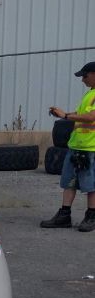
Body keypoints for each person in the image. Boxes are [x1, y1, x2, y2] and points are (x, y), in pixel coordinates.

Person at [41, 61, 95, 232]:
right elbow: (81, 115)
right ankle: (64, 215)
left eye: (85, 76)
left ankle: (91, 216)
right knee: (69, 182)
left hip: (91, 149)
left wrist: (65, 115)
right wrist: (64, 115)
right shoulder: (90, 94)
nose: (83, 80)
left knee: (91, 184)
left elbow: (91, 117)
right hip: (77, 146)